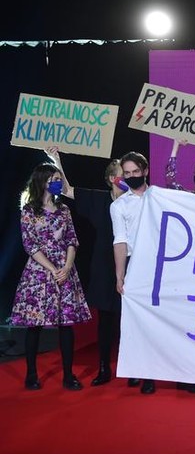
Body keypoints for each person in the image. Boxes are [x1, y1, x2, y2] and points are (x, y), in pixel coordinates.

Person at [46, 147, 125, 386]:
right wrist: (56, 159)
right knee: (106, 319)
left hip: (130, 263)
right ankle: (104, 367)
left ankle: (132, 368)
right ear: (112, 178)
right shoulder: (99, 199)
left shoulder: (137, 201)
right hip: (104, 264)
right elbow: (67, 190)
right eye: (122, 174)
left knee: (130, 319)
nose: (127, 177)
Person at [12, 163, 91, 391]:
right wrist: (51, 268)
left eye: (58, 179)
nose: (58, 183)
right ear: (42, 181)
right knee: (34, 324)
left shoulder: (64, 210)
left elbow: (72, 239)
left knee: (66, 324)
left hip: (64, 270)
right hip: (39, 272)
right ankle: (31, 374)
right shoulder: (29, 210)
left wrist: (66, 266)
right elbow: (30, 244)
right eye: (54, 180)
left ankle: (68, 375)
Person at [110, 151, 157, 395]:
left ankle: (154, 371)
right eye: (127, 173)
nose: (131, 176)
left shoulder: (160, 197)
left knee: (156, 321)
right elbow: (120, 241)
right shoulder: (119, 205)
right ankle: (139, 370)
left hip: (162, 266)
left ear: (145, 171)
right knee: (136, 321)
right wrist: (120, 275)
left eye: (135, 172)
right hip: (136, 265)